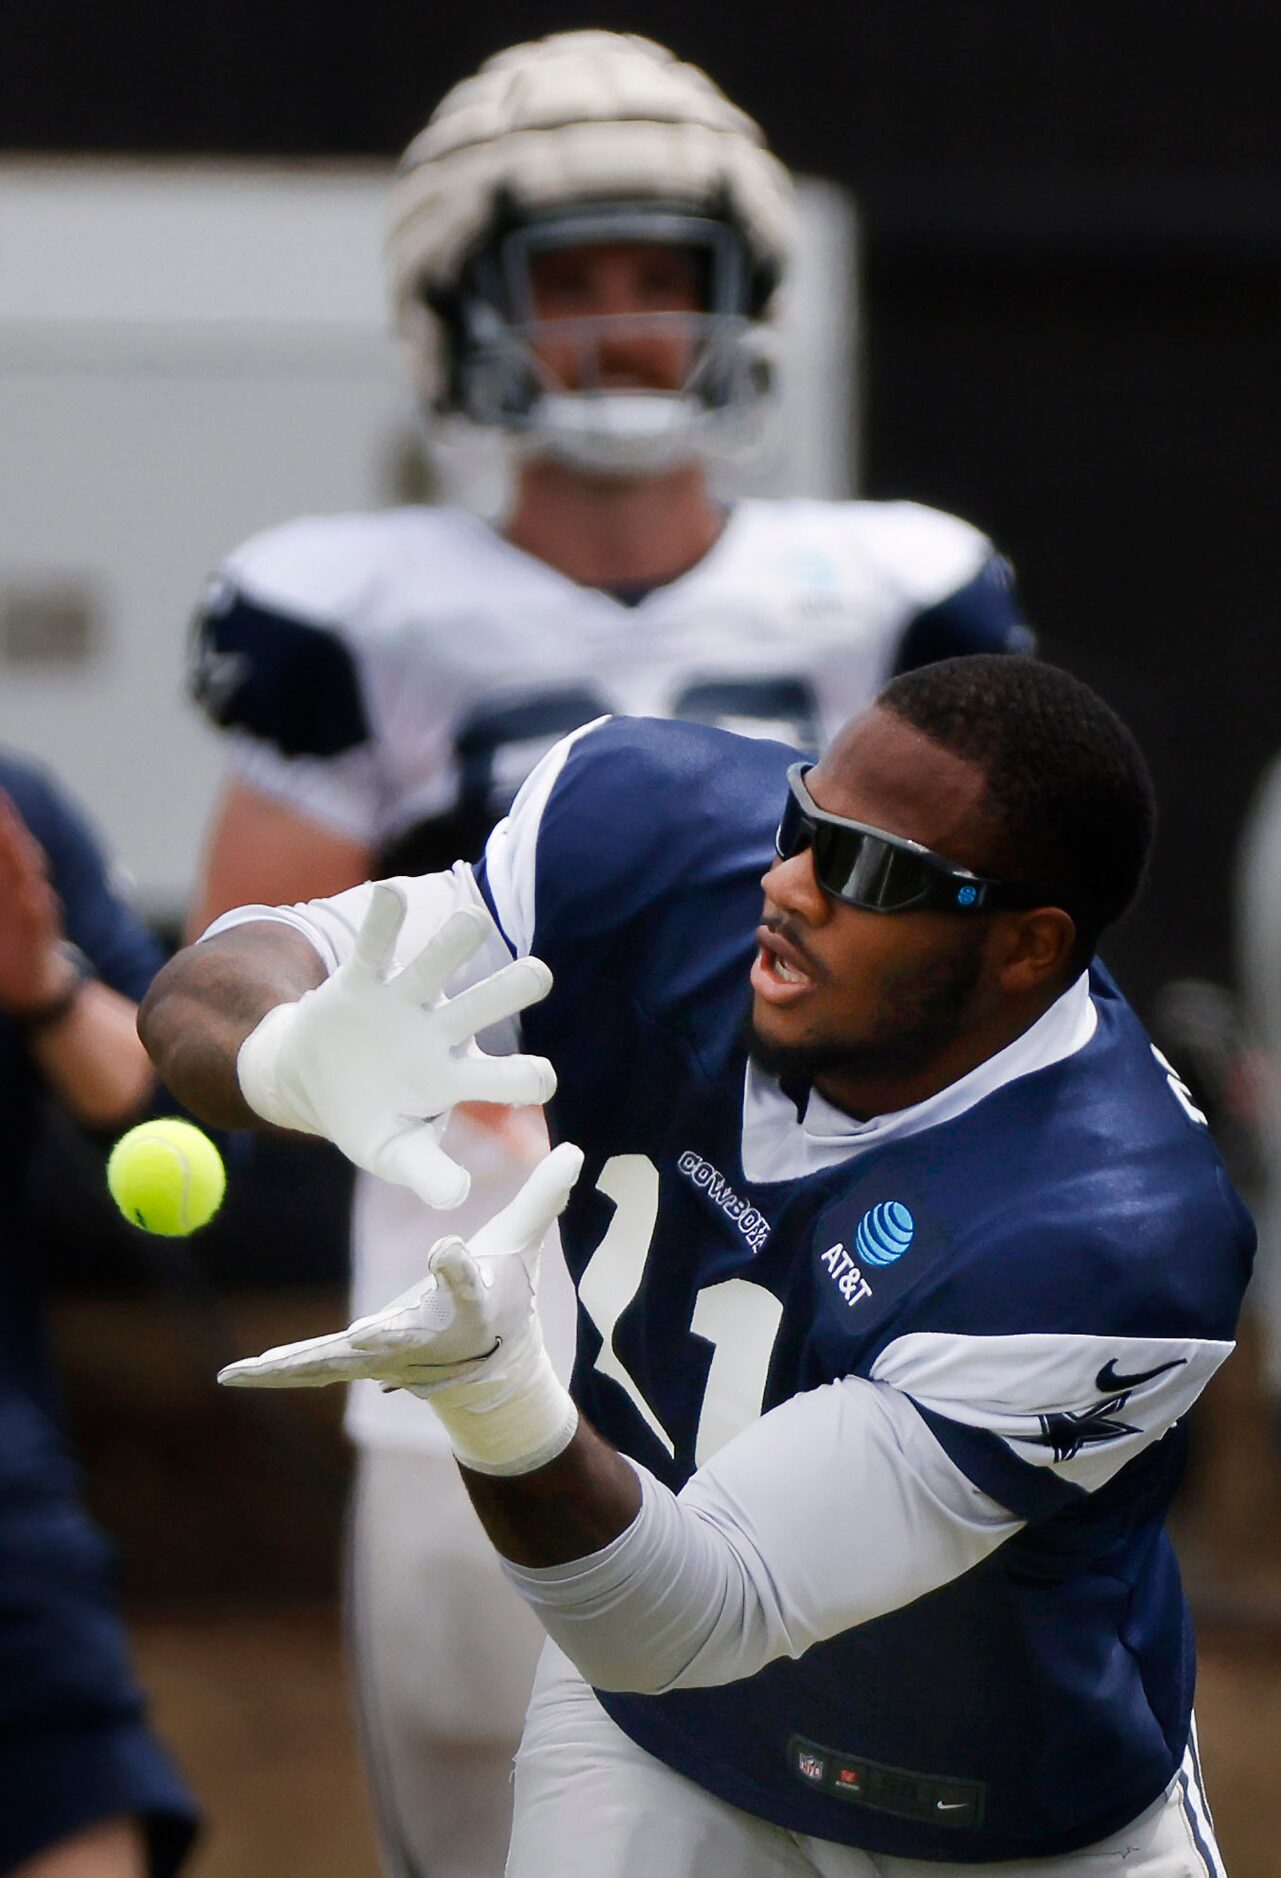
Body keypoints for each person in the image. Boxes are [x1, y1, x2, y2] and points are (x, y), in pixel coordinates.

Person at [185, 30, 1030, 1874]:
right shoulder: (360, 605)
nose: (624, 324)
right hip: (484, 1338)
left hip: (819, 1343)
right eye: (573, 277)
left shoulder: (889, 588)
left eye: (667, 275)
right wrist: (311, 1044)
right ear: (464, 306)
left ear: (742, 301)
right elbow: (235, 954)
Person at [143, 655, 1247, 1876]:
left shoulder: (1113, 1233)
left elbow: (689, 1615)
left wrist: (497, 1399)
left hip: (998, 1806)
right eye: (800, 821)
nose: (785, 885)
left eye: (866, 870)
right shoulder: (652, 830)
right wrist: (286, 1051)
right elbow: (230, 969)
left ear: (1030, 949)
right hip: (661, 1738)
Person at [0, 756, 198, 1877]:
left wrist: (42, 986)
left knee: (75, 1799)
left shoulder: (15, 813)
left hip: (7, 1508)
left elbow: (185, 1115)